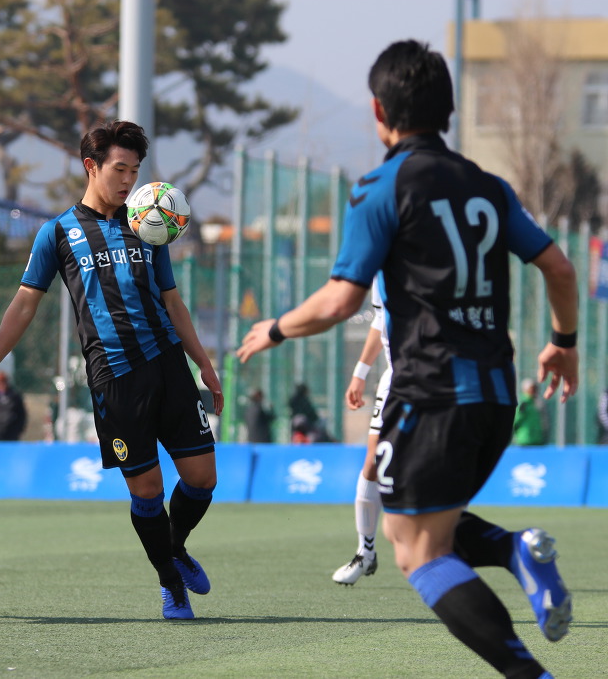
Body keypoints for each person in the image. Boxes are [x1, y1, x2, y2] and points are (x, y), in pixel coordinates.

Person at [237, 40, 578, 677]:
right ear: (448, 110)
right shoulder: (490, 187)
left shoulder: (381, 188)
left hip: (432, 392)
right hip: (496, 395)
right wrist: (564, 343)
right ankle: (515, 550)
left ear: (378, 111)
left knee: (419, 553)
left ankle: (531, 667)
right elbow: (558, 267)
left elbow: (341, 300)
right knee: (413, 528)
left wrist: (275, 329)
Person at [0, 120, 224, 620]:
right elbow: (24, 305)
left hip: (169, 365)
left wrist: (204, 364)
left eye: (135, 170)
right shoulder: (57, 232)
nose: (129, 180)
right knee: (146, 490)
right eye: (119, 169)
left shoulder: (148, 224)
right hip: (115, 377)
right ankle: (171, 583)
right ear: (92, 166)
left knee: (202, 478)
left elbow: (173, 302)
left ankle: (174, 547)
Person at [332, 278, 388, 585]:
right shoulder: (381, 271)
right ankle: (365, 553)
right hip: (397, 379)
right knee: (373, 462)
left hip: (437, 376)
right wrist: (360, 373)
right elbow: (381, 320)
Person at [0, 370, 27, 441]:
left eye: (3, 381)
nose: (1, 384)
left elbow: (22, 414)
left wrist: (18, 430)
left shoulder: (15, 397)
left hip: (11, 434)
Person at [512, 378, 549, 446]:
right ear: (525, 390)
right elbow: (516, 420)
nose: (535, 390)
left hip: (538, 439)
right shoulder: (522, 403)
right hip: (524, 439)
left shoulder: (538, 403)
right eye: (532, 388)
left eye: (535, 388)